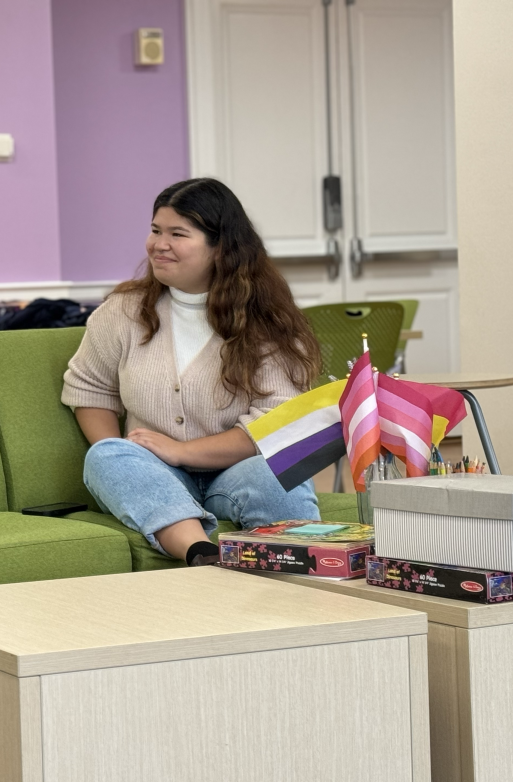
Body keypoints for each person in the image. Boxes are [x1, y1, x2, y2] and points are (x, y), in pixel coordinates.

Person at [62, 178, 322, 567]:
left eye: (177, 234)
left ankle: (309, 569)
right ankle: (203, 555)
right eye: (155, 230)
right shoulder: (123, 311)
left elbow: (274, 424)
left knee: (279, 472)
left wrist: (184, 451)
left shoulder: (267, 320)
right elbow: (89, 391)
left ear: (220, 248)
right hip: (156, 473)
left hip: (237, 472)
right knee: (105, 455)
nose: (158, 244)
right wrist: (138, 460)